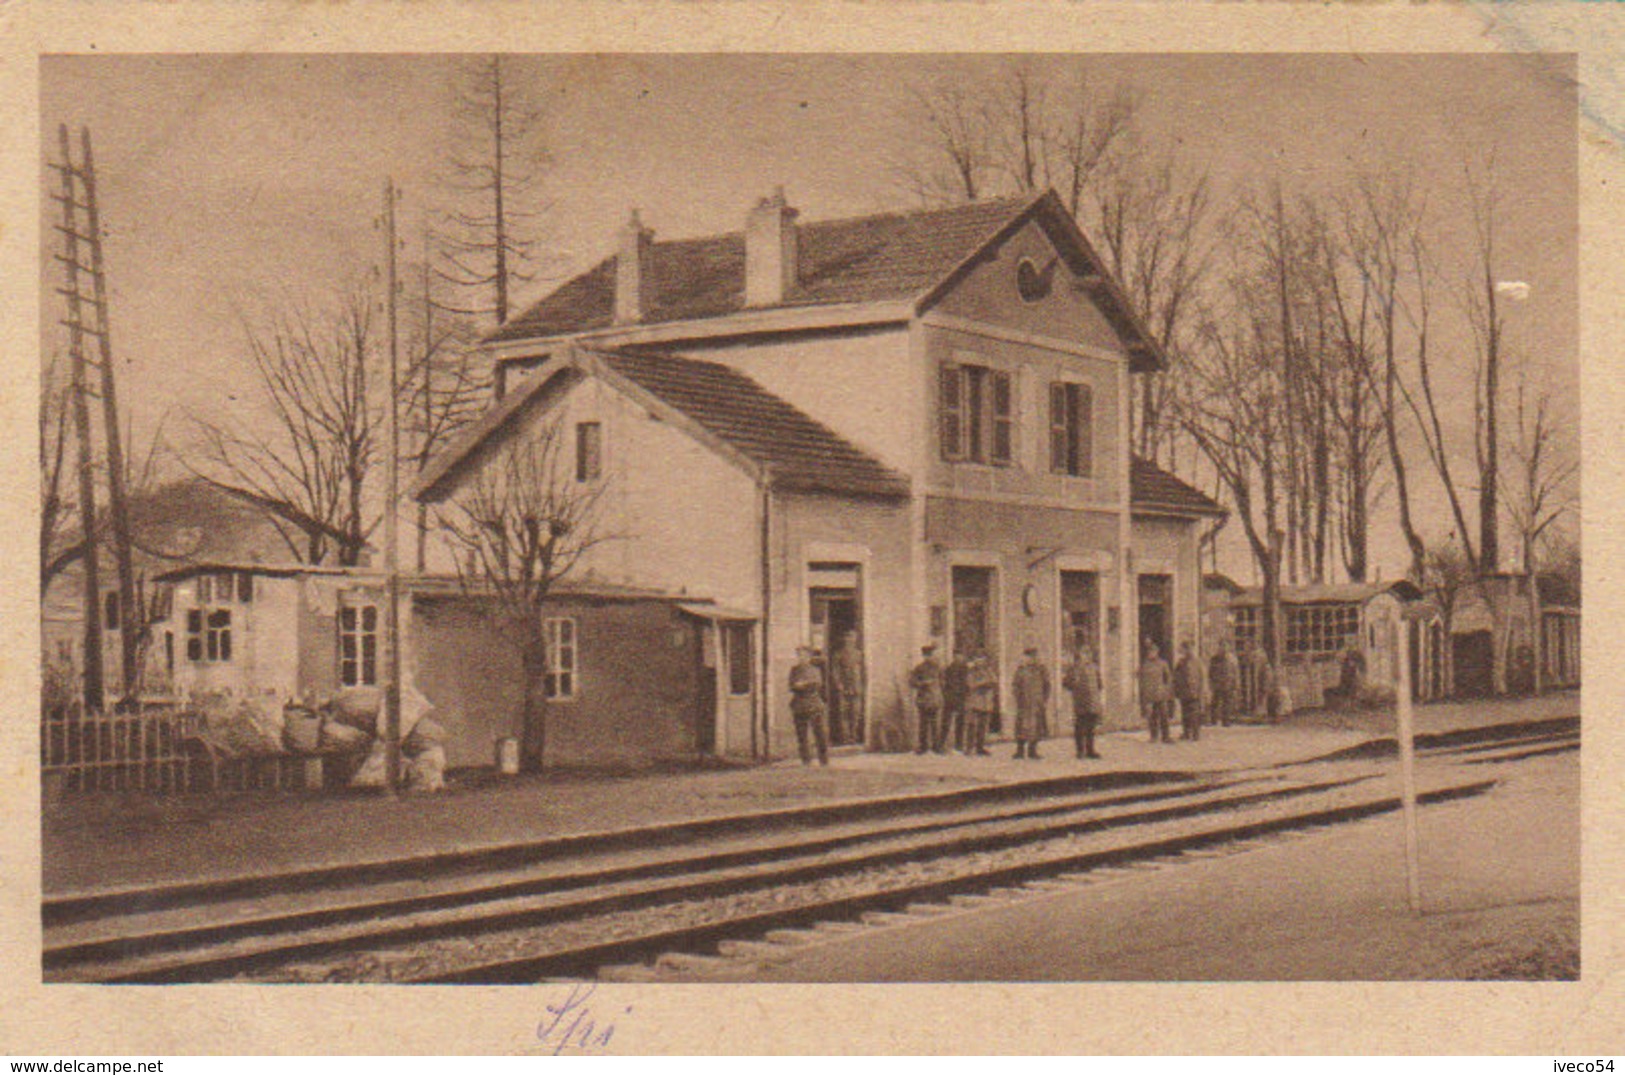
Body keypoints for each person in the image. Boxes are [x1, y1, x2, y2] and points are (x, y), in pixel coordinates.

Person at [788, 645, 829, 766]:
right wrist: (800, 685)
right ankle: (806, 759)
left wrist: (803, 685)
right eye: (799, 655)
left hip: (814, 704)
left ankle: (823, 759)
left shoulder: (815, 670)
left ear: (809, 657)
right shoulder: (794, 670)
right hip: (799, 705)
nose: (801, 658)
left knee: (819, 733)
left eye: (804, 655)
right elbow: (791, 685)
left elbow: (817, 685)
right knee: (802, 735)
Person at [1062, 643, 1104, 759]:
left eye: (1089, 653)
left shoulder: (1094, 668)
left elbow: (1099, 684)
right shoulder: (1074, 668)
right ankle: (1080, 751)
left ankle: (1090, 750)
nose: (1087, 656)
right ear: (1080, 655)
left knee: (1091, 727)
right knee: (1080, 726)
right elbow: (1066, 683)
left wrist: (1096, 696)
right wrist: (1074, 685)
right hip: (1080, 700)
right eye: (1084, 653)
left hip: (1092, 701)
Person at [1012, 645, 1051, 760]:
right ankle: (1020, 750)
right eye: (1029, 656)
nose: (1032, 659)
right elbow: (1015, 685)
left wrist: (1044, 699)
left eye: (1034, 656)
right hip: (1024, 703)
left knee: (1036, 727)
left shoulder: (1041, 670)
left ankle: (1032, 750)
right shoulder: (1021, 670)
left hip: (1037, 702)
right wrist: (1018, 698)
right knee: (1021, 727)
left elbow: (1047, 685)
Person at [908, 643, 944, 755]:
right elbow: (912, 682)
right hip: (923, 699)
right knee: (923, 724)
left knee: (935, 724)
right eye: (927, 655)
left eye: (930, 655)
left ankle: (936, 747)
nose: (929, 657)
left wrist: (939, 692)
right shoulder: (919, 668)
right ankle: (923, 746)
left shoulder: (938, 668)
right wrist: (923, 683)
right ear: (924, 656)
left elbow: (943, 682)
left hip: (934, 698)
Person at [1139, 638, 1174, 744]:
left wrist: (1166, 690)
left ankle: (1166, 736)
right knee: (1152, 717)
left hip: (1160, 693)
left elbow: (1168, 678)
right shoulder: (1145, 665)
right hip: (1150, 694)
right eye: (1150, 652)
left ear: (1157, 652)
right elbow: (1141, 679)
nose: (1151, 654)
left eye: (1153, 652)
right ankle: (1153, 736)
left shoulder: (1163, 664)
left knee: (1164, 716)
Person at [831, 632, 865, 742]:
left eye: (853, 638)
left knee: (856, 712)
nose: (850, 640)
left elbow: (863, 671)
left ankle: (853, 736)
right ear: (844, 639)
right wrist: (839, 684)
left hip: (856, 686)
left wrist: (862, 685)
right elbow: (835, 670)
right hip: (844, 685)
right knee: (843, 712)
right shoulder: (838, 654)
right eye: (848, 637)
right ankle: (845, 736)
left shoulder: (859, 654)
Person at [965, 650, 998, 756]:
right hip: (975, 701)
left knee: (983, 726)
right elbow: (970, 685)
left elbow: (994, 681)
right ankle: (969, 748)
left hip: (986, 702)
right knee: (972, 725)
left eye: (982, 660)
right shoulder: (971, 672)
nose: (980, 662)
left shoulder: (988, 670)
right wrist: (982, 684)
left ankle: (980, 747)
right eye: (978, 660)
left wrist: (989, 684)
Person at [1173, 640, 1206, 741]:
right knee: (1185, 713)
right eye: (1185, 649)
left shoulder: (1198, 662)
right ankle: (1186, 733)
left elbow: (1202, 678)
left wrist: (1201, 691)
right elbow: (1176, 677)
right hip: (1184, 692)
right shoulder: (1181, 662)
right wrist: (1177, 690)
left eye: (1189, 648)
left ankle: (1195, 734)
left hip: (1194, 691)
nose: (1187, 651)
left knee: (1195, 714)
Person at [940, 648, 970, 754]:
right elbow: (944, 683)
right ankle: (941, 745)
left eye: (961, 655)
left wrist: (966, 695)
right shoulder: (949, 668)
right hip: (951, 698)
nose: (959, 657)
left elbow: (967, 684)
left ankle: (959, 745)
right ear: (954, 656)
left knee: (960, 723)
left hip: (960, 698)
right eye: (957, 655)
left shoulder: (965, 668)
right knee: (946, 722)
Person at [1208, 639, 1240, 728]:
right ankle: (1213, 720)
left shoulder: (1232, 659)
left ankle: (1226, 720)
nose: (1223, 648)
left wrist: (1236, 683)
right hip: (1217, 683)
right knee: (1215, 702)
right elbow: (1210, 672)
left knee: (1227, 703)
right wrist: (1211, 683)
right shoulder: (1214, 659)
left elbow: (1236, 672)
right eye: (1222, 646)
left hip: (1228, 683)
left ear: (1229, 647)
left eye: (1225, 646)